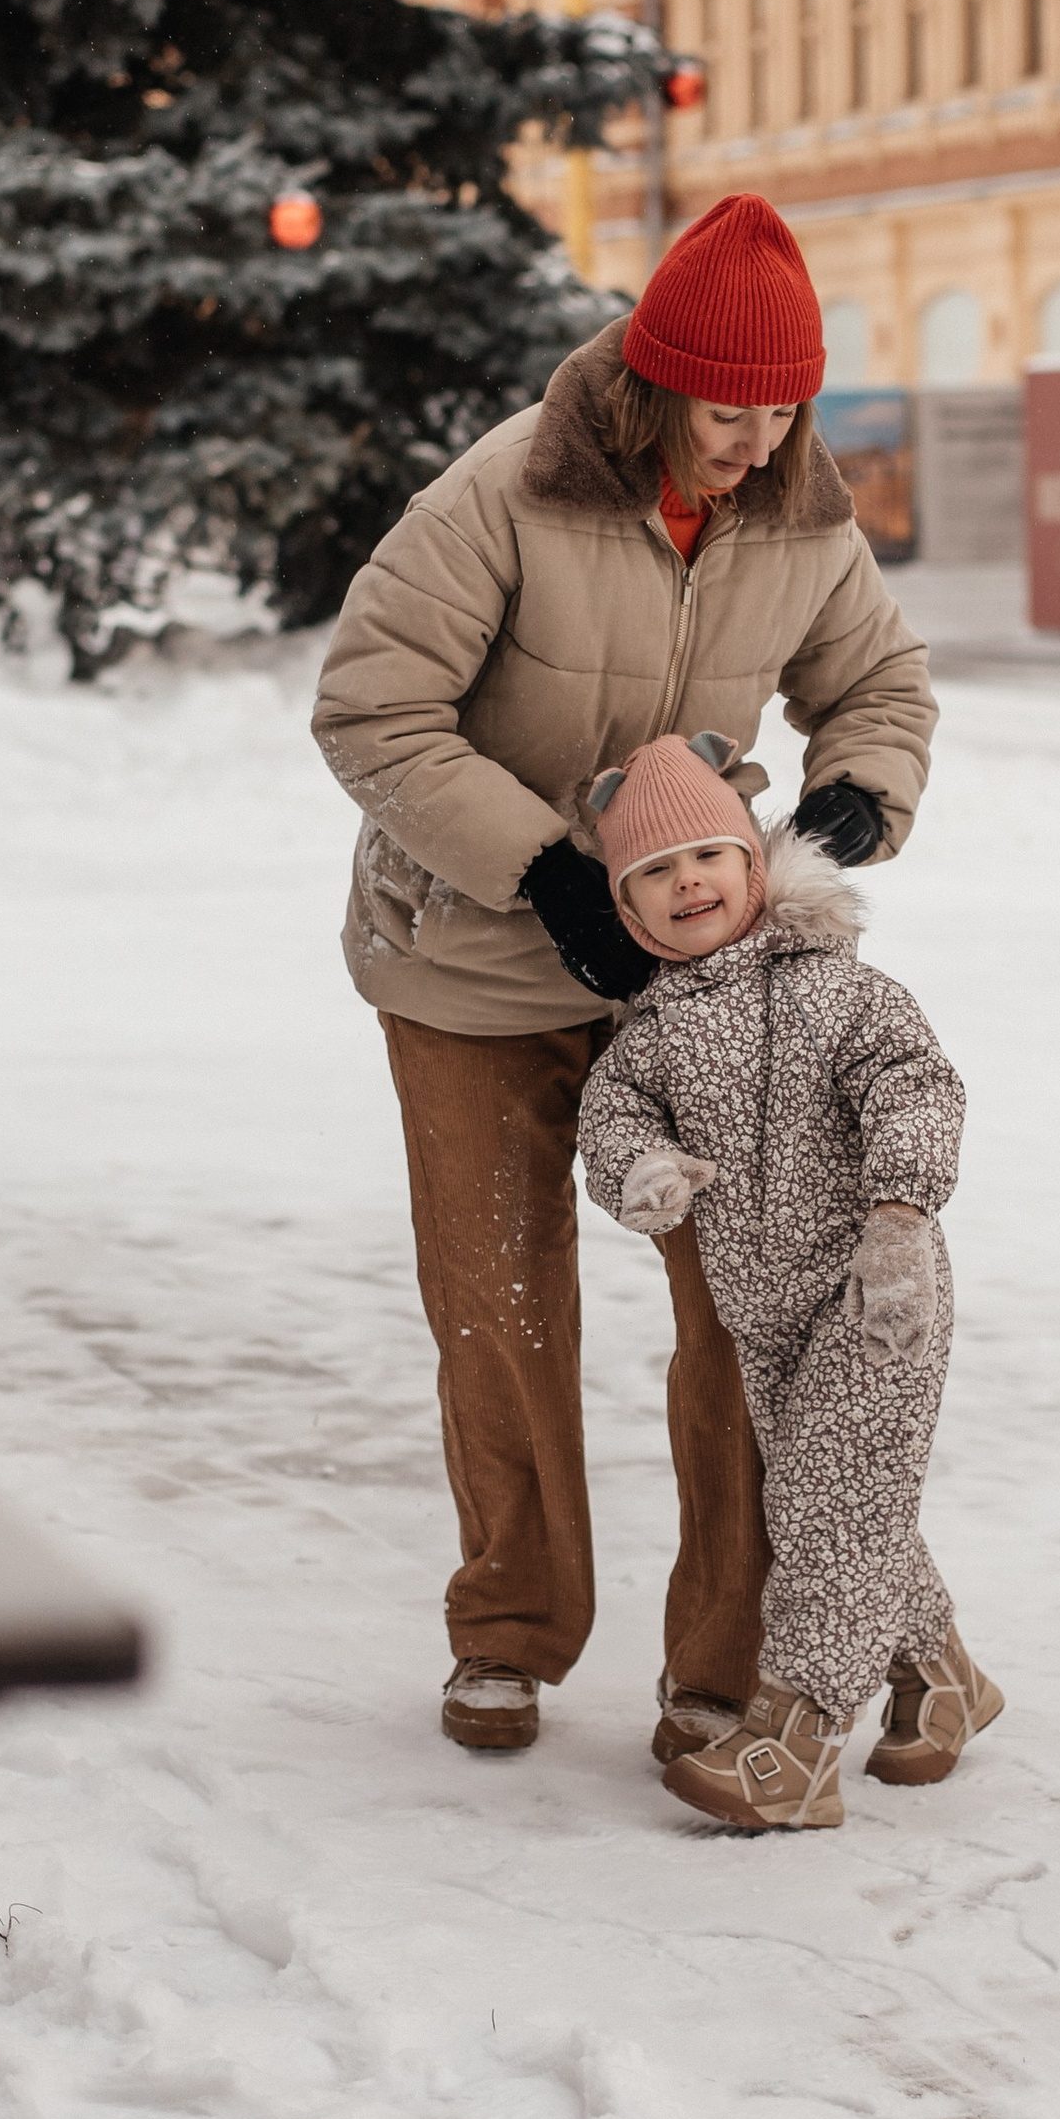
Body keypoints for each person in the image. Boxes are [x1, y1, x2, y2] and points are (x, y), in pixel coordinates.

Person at [311, 191, 937, 1758]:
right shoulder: (502, 495)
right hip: (468, 962)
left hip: (698, 985)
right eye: (730, 409)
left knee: (745, 1303)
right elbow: (372, 711)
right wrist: (536, 872)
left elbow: (877, 678)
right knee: (501, 1306)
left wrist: (860, 784)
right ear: (656, 381)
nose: (757, 439)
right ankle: (510, 1634)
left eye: (785, 407)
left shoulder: (798, 512)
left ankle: (722, 1663)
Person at [574, 731, 1001, 1834]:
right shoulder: (649, 1038)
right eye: (654, 875)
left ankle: (795, 1739)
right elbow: (610, 1124)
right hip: (761, 1314)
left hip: (873, 1293)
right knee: (837, 1504)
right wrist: (641, 1173)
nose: (686, 885)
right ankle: (942, 1679)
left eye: (706, 858)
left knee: (829, 1504)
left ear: (753, 871)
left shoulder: (841, 993)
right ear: (627, 911)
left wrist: (901, 1215)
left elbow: (917, 1085)